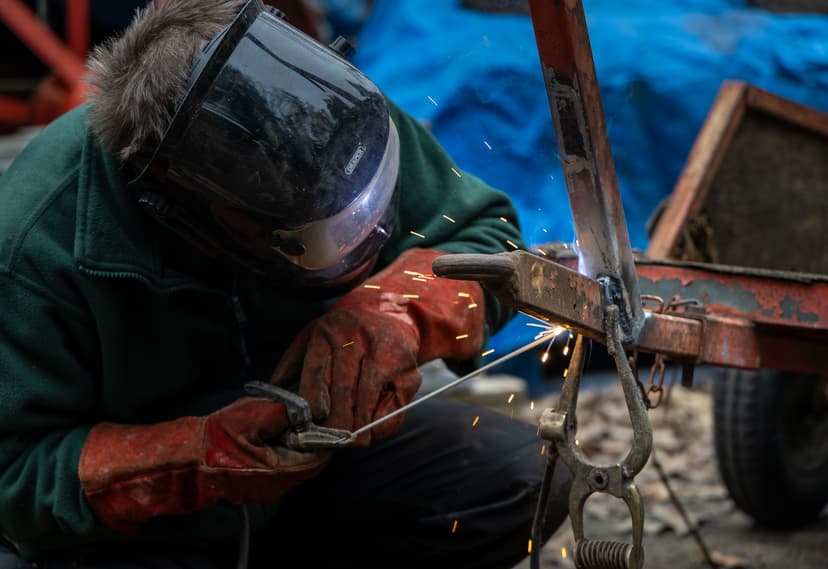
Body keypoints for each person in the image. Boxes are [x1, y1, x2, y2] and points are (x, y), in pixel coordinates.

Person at [0, 1, 572, 567]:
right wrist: (189, 459)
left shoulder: (334, 115)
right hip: (140, 537)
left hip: (313, 475)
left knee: (524, 476)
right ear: (184, 209)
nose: (366, 228)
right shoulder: (34, 244)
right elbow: (12, 478)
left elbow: (485, 233)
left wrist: (398, 311)